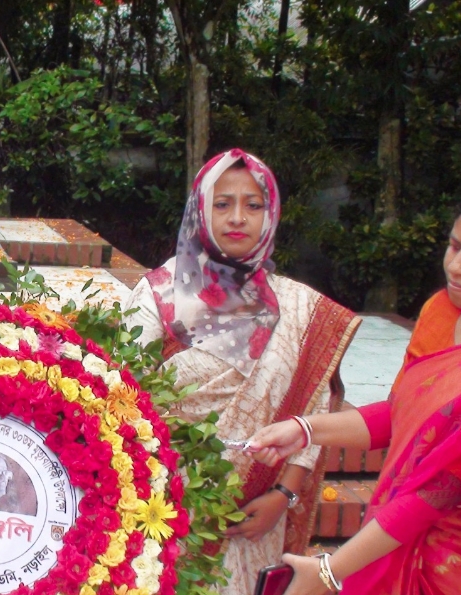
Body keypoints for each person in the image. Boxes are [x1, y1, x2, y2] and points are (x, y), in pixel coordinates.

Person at [248, 174, 461, 595]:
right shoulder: (441, 313)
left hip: (459, 569)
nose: (456, 265)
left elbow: (437, 492)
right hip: (389, 536)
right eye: (454, 245)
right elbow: (406, 412)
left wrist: (331, 572)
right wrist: (306, 429)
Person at [122, 149, 360, 595]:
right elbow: (123, 399)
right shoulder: (160, 294)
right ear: (200, 209)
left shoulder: (301, 310)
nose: (238, 217)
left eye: (254, 205)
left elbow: (311, 415)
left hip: (255, 516)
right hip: (162, 507)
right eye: (222, 203)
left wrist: (282, 497)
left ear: (271, 215)